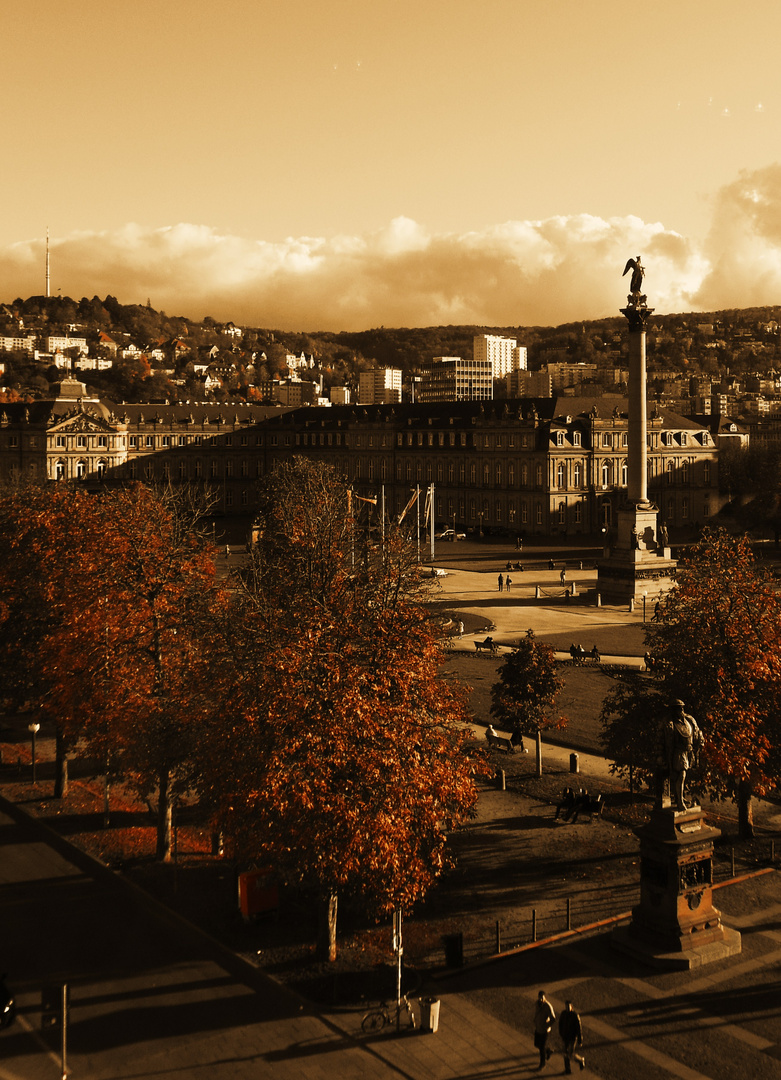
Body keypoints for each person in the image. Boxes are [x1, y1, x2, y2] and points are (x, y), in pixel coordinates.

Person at [661, 699, 703, 811]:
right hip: (678, 754)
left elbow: (697, 732)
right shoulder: (669, 724)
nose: (681, 710)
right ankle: (679, 802)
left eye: (682, 707)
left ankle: (681, 797)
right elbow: (662, 741)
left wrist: (699, 742)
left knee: (683, 777)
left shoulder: (689, 720)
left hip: (688, 752)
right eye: (679, 708)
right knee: (681, 775)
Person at [558, 1000, 586, 1073]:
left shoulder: (575, 1016)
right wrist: (561, 1033)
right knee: (565, 1053)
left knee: (570, 1054)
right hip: (565, 1037)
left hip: (572, 1038)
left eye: (568, 1006)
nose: (567, 1008)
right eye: (566, 1006)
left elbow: (578, 1029)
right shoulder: (563, 1014)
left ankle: (580, 1060)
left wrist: (580, 1040)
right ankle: (567, 1069)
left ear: (572, 1007)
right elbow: (560, 1024)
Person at [533, 990, 556, 1069]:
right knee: (536, 1044)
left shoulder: (548, 1006)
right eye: (540, 997)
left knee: (541, 1048)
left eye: (542, 997)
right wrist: (535, 1020)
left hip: (544, 1030)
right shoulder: (536, 1003)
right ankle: (548, 1051)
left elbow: (553, 1018)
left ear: (544, 997)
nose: (541, 999)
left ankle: (542, 1063)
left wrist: (547, 1025)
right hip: (538, 1028)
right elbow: (536, 1013)